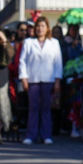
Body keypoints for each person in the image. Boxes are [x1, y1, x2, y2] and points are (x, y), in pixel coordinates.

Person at [18, 16, 63, 145]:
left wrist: (58, 81)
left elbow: (58, 63)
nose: (40, 29)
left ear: (47, 28)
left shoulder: (54, 42)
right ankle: (30, 135)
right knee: (33, 107)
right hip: (33, 80)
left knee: (46, 107)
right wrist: (24, 78)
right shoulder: (28, 42)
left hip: (48, 79)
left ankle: (46, 135)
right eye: (38, 26)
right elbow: (22, 61)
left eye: (43, 26)